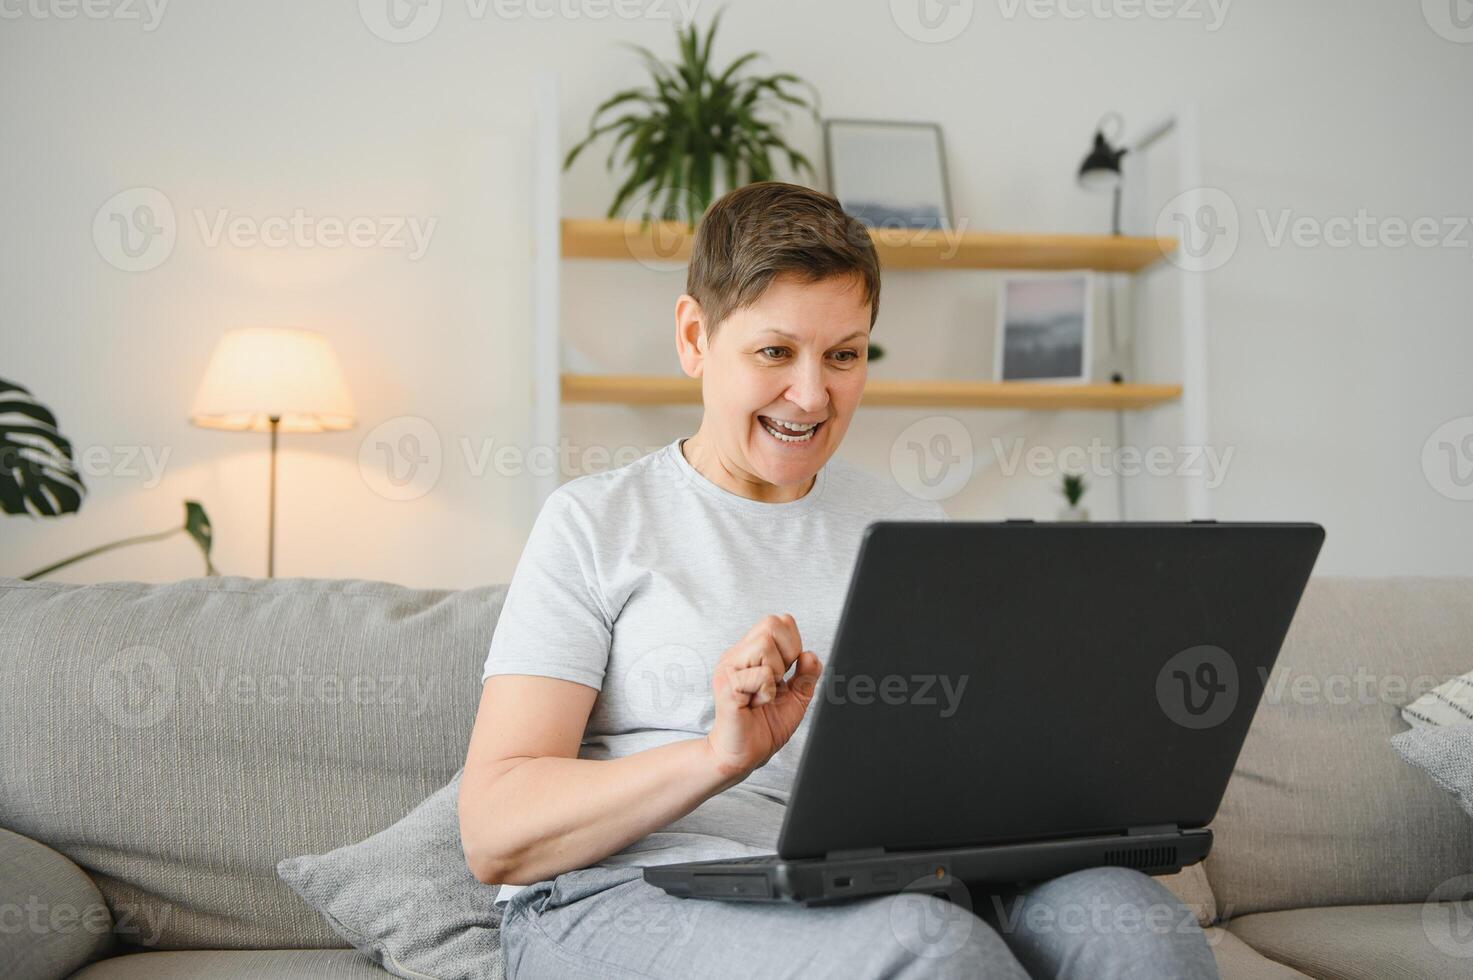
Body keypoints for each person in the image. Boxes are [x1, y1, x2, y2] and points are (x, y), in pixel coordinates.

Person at [458, 181, 1219, 979]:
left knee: (1138, 928)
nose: (812, 395)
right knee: (932, 952)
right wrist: (717, 757)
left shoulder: (911, 532)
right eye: (774, 352)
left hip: (878, 879)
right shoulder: (593, 523)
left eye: (844, 355)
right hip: (622, 892)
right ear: (693, 336)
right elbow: (495, 831)